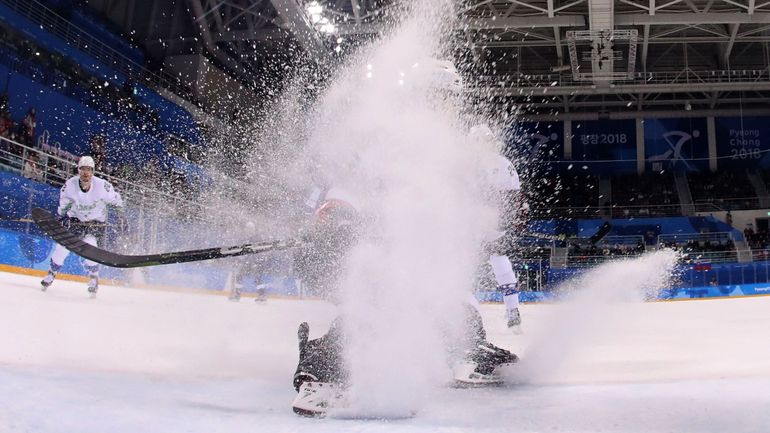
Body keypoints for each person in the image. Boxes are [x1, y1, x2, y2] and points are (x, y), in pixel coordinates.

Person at [468, 123, 526, 333]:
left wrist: (513, 217)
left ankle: (513, 311)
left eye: (487, 141)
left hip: (491, 226)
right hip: (470, 227)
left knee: (500, 261)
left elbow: (515, 195)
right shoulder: (464, 165)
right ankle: (465, 316)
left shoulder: (502, 164)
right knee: (466, 269)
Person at [40, 155, 125, 297]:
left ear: (93, 171)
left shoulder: (103, 187)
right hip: (76, 222)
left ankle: (94, 278)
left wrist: (122, 216)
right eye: (83, 169)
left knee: (90, 247)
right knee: (62, 247)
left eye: (89, 169)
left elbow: (116, 201)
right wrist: (62, 216)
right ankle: (51, 274)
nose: (86, 172)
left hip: (95, 224)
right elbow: (63, 207)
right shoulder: (69, 186)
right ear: (78, 170)